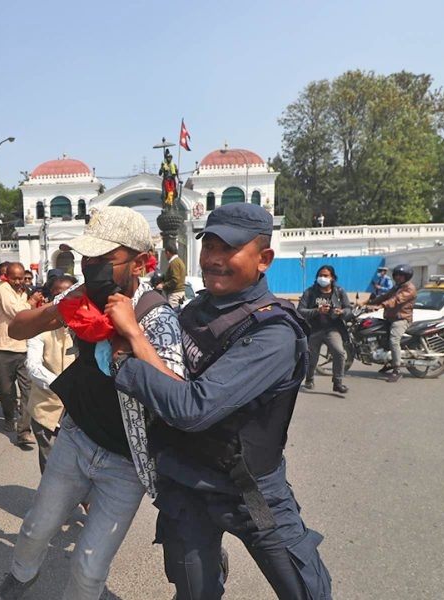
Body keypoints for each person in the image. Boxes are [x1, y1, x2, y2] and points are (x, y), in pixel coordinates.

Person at [107, 203, 332, 600]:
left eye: (227, 249)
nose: (213, 259)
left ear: (263, 259)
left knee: (304, 590)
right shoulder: (197, 309)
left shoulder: (273, 333)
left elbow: (193, 408)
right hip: (187, 480)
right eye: (208, 246)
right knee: (195, 591)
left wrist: (125, 364)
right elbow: (168, 371)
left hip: (249, 491)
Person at [0, 206, 183, 600]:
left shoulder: (156, 317)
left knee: (90, 567)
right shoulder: (81, 299)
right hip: (76, 439)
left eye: (105, 259)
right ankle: (21, 577)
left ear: (141, 263)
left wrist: (132, 333)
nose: (91, 267)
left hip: (126, 462)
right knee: (35, 529)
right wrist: (62, 308)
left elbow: (177, 398)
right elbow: (17, 326)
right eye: (88, 258)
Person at [25, 273, 77, 472]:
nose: (64, 300)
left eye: (70, 295)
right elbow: (33, 366)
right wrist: (62, 386)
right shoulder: (40, 329)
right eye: (58, 296)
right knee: (52, 468)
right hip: (47, 409)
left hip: (82, 411)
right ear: (49, 299)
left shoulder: (91, 327)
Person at [0, 262, 35, 447]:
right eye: (14, 278)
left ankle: (24, 430)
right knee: (6, 391)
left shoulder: (24, 291)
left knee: (28, 391)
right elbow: (16, 312)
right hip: (3, 348)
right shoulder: (1, 288)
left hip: (24, 348)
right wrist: (31, 304)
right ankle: (9, 416)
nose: (18, 282)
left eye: (21, 278)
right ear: (6, 276)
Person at [298, 265, 352, 394]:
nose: (322, 278)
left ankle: (338, 382)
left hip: (332, 329)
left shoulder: (339, 292)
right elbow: (300, 310)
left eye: (326, 275)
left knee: (339, 353)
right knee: (312, 358)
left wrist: (341, 312)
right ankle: (309, 380)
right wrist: (317, 311)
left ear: (332, 278)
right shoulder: (310, 292)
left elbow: (349, 309)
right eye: (320, 275)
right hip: (314, 329)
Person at [366, 264, 416, 382]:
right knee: (382, 338)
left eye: (401, 275)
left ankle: (397, 369)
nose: (398, 277)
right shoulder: (397, 287)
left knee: (394, 340)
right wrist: (367, 302)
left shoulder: (410, 288)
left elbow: (396, 300)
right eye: (396, 275)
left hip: (401, 319)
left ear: (407, 276)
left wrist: (380, 306)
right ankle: (389, 361)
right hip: (390, 318)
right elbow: (385, 295)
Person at [159, 244, 187, 309]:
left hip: (174, 294)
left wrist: (163, 285)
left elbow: (175, 280)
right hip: (178, 293)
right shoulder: (179, 261)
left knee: (172, 315)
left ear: (168, 253)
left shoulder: (174, 263)